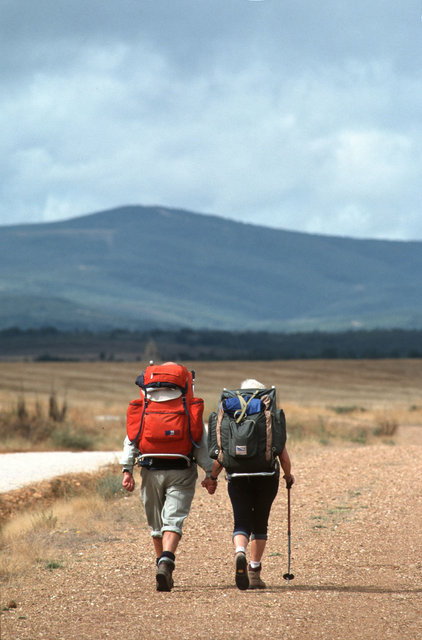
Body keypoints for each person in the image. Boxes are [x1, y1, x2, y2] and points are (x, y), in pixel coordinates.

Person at [121, 370, 217, 592]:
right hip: (181, 469)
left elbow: (131, 440)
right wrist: (210, 474)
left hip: (150, 470)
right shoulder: (187, 407)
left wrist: (127, 470)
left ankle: (160, 565)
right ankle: (166, 561)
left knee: (157, 524)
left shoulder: (145, 407)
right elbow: (199, 442)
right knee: (173, 520)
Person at [206, 378, 294, 590]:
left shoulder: (230, 414)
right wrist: (288, 476)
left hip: (236, 475)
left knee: (241, 521)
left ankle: (240, 553)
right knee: (260, 523)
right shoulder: (268, 415)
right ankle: (254, 571)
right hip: (266, 475)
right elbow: (282, 455)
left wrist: (213, 478)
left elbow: (221, 455)